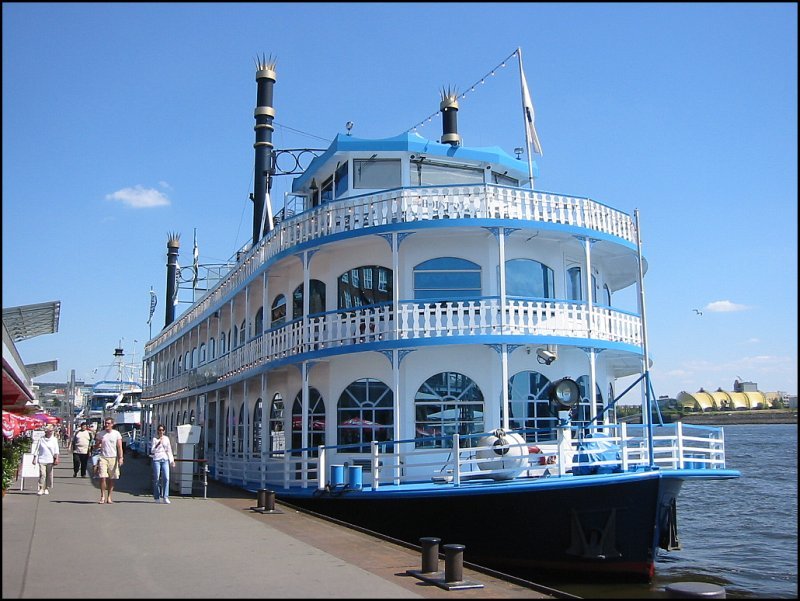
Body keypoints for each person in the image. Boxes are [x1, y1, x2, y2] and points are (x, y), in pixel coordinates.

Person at [94, 417, 123, 504]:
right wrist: (99, 443)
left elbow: (119, 446)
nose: (106, 425)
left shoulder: (116, 434)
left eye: (108, 423)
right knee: (103, 477)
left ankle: (109, 496)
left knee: (112, 478)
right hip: (103, 457)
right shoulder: (101, 434)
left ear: (112, 424)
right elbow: (95, 447)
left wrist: (121, 457)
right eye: (105, 423)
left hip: (113, 458)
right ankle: (102, 496)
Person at [150, 425, 175, 503]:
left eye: (162, 430)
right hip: (157, 459)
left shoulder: (166, 439)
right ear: (157, 431)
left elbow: (169, 450)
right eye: (159, 430)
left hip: (165, 459)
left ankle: (165, 496)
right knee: (157, 478)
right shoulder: (154, 439)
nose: (161, 432)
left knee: (166, 478)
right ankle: (157, 497)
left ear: (164, 431)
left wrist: (172, 460)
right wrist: (157, 444)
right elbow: (152, 451)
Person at [33, 426, 60, 495]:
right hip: (42, 459)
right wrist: (34, 458)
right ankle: (41, 488)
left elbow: (56, 450)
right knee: (42, 474)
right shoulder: (41, 439)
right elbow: (37, 449)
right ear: (46, 432)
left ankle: (47, 488)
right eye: (50, 431)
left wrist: (56, 458)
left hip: (50, 459)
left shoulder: (54, 439)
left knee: (49, 474)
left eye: (52, 431)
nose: (51, 432)